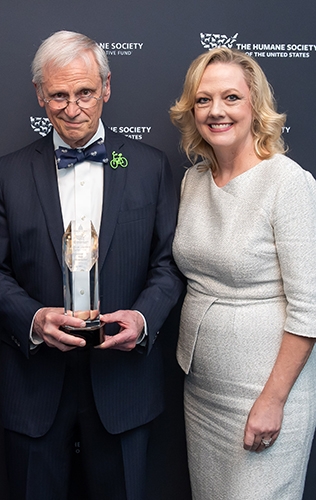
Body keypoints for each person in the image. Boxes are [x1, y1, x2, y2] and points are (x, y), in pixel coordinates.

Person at [0, 30, 183, 500]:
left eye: (85, 92)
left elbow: (168, 264)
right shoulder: (7, 173)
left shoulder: (149, 167)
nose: (73, 108)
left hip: (123, 383)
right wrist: (34, 318)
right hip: (35, 387)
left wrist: (143, 318)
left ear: (107, 87)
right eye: (59, 95)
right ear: (39, 95)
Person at [169, 47, 316, 499]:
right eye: (203, 99)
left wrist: (272, 401)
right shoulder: (193, 180)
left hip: (266, 393)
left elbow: (310, 308)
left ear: (256, 105)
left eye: (231, 97)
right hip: (202, 391)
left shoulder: (288, 183)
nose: (216, 111)